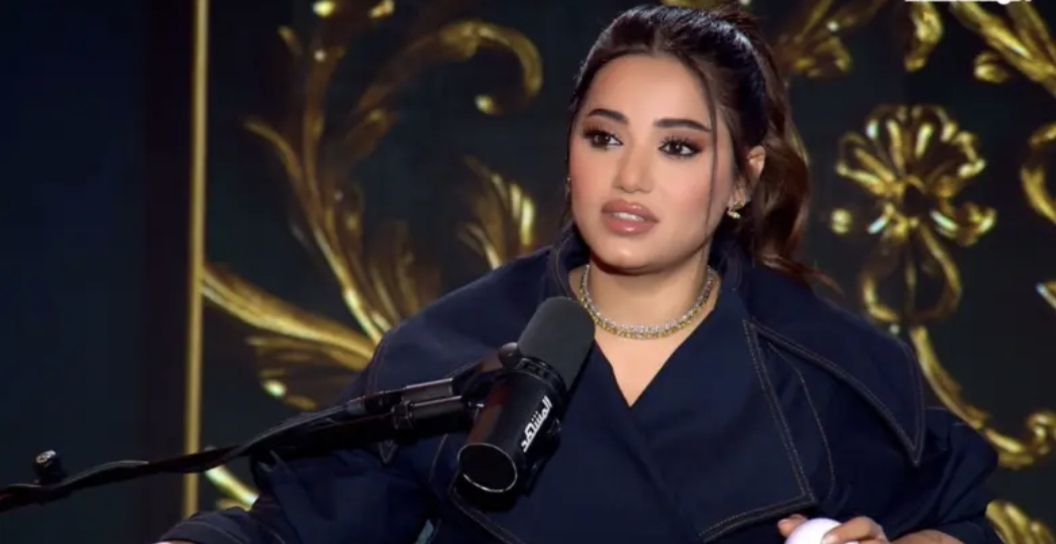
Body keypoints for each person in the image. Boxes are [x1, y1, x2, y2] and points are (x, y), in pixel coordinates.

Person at [159, 4, 1003, 544]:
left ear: (744, 179)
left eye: (678, 147)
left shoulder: (835, 371)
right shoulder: (450, 348)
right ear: (570, 154)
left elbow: (963, 523)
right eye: (604, 137)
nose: (630, 178)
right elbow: (293, 532)